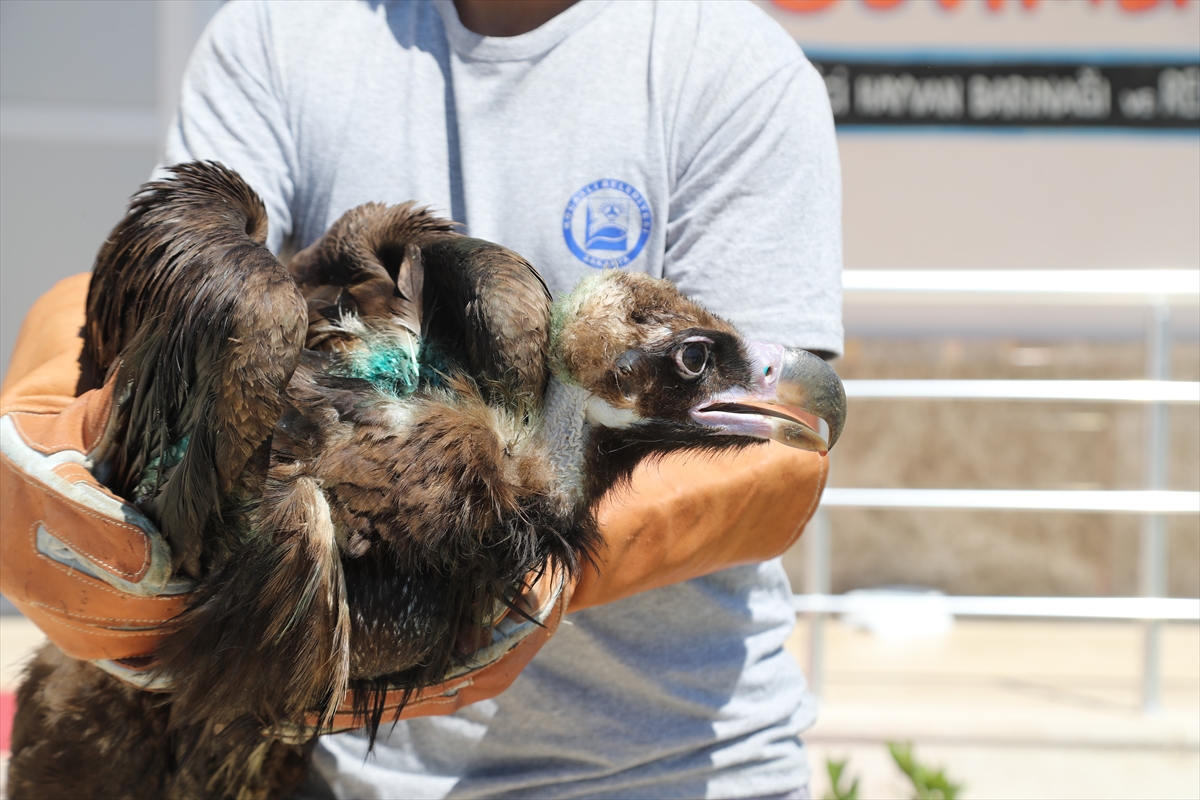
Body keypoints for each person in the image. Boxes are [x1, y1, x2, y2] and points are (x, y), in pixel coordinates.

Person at [0, 1, 842, 797]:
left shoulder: (727, 67)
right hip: (325, 765)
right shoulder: (287, 35)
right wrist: (41, 438)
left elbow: (781, 467)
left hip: (664, 766)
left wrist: (520, 572)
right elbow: (142, 320)